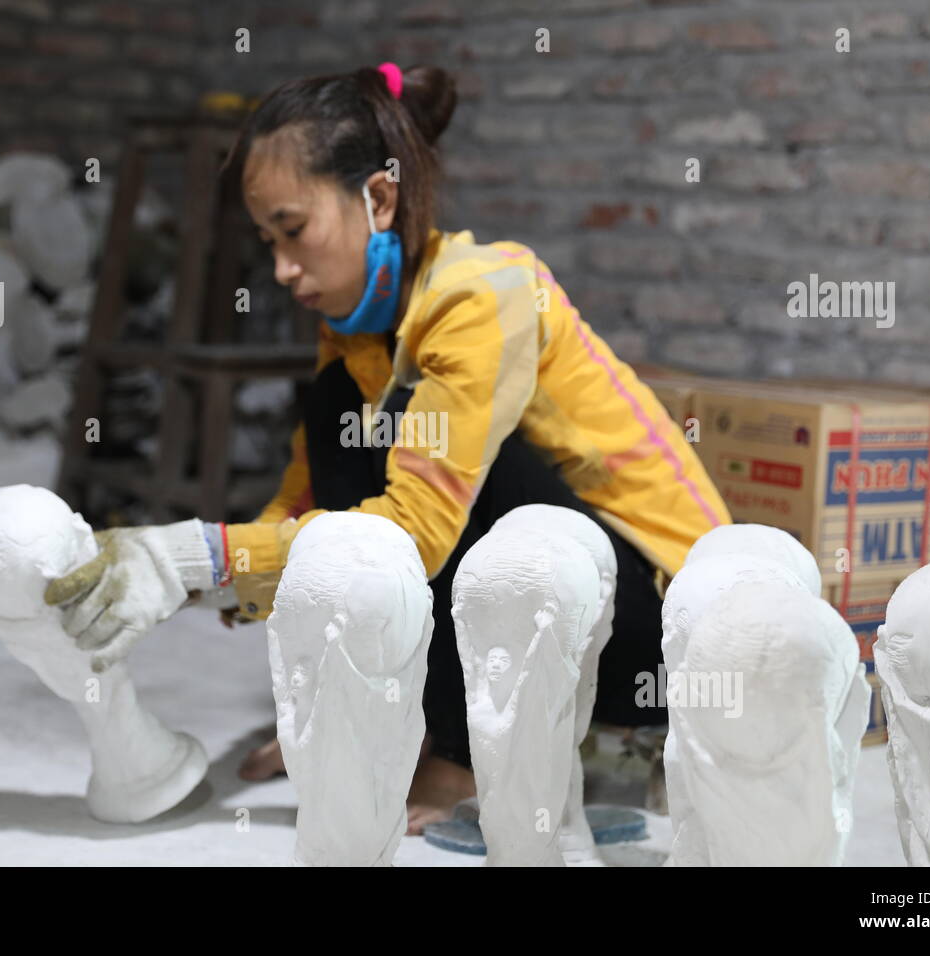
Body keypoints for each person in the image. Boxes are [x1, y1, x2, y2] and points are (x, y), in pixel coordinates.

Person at [44, 63, 731, 834]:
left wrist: (195, 555)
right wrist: (243, 611)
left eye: (294, 230)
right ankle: (403, 712)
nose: (281, 269)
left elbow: (419, 531)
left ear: (378, 197)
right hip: (567, 617)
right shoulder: (353, 323)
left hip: (659, 642)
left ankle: (467, 754)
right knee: (347, 408)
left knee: (422, 445)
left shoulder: (485, 294)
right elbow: (306, 497)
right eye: (267, 240)